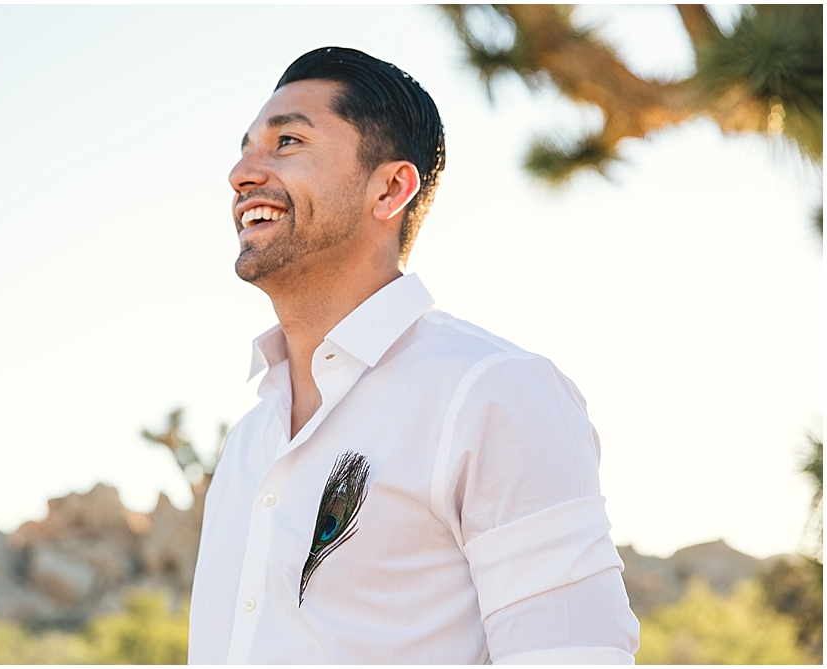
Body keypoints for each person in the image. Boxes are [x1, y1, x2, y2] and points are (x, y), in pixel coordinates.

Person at [188, 46, 640, 664]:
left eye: (287, 141)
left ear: (392, 188)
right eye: (245, 148)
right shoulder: (248, 444)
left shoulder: (493, 392)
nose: (242, 172)